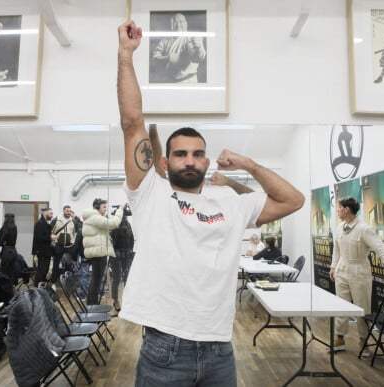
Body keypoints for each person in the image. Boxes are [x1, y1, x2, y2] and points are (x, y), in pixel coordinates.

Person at [117, 20, 305, 386]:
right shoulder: (151, 193)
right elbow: (131, 123)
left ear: (207, 161)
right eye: (181, 154)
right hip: (165, 349)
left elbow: (292, 200)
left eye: (198, 153)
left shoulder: (230, 203)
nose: (190, 159)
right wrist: (126, 55)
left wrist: (248, 164)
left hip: (221, 350)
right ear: (164, 162)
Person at [330, 197, 384, 357]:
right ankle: (339, 337)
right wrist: (333, 266)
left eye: (339, 208)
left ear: (346, 210)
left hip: (360, 271)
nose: (337, 211)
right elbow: (336, 250)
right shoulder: (339, 227)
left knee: (362, 308)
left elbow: (381, 249)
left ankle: (364, 341)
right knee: (341, 305)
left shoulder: (364, 229)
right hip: (342, 269)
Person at [81, 199, 124, 305]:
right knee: (96, 282)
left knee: (95, 281)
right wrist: (120, 210)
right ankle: (93, 307)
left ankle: (92, 305)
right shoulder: (95, 217)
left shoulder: (94, 217)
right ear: (97, 207)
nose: (106, 209)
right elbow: (113, 223)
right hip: (98, 253)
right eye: (104, 207)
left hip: (98, 252)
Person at [151, 12, 206, 83]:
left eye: (181, 22)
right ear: (171, 26)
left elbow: (198, 58)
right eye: (174, 22)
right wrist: (168, 58)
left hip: (189, 81)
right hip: (169, 81)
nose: (178, 25)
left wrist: (199, 47)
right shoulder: (165, 41)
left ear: (186, 24)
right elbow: (154, 58)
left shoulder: (191, 37)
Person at [109, 207, 135, 312]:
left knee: (127, 278)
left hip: (127, 255)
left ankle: (128, 300)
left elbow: (131, 240)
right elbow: (112, 242)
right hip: (116, 255)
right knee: (116, 279)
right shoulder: (113, 226)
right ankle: (115, 300)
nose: (124, 217)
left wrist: (130, 251)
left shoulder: (128, 226)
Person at [51, 205, 77, 285]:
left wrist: (73, 241)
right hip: (58, 246)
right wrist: (54, 240)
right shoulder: (56, 219)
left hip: (69, 246)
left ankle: (70, 283)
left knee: (70, 265)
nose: (69, 213)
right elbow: (50, 231)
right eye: (67, 211)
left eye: (70, 211)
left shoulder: (73, 221)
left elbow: (75, 233)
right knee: (56, 265)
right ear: (63, 211)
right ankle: (53, 283)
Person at [32, 207, 54, 285]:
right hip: (42, 252)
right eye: (51, 213)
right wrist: (50, 237)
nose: (52, 215)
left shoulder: (45, 224)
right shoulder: (40, 224)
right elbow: (39, 238)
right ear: (45, 213)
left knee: (44, 272)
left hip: (46, 252)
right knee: (41, 272)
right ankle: (37, 290)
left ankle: (41, 289)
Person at [0, 213, 18, 279]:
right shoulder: (15, 227)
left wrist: (1, 242)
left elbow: (0, 242)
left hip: (6, 250)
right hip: (14, 250)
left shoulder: (5, 227)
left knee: (3, 272)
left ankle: (3, 288)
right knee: (11, 272)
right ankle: (10, 288)